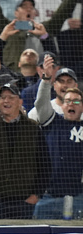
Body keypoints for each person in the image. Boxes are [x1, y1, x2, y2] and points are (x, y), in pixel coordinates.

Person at [0, 82, 50, 219]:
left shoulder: (33, 128)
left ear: (20, 101)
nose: (6, 101)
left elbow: (45, 164)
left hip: (23, 201)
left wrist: (36, 194)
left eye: (11, 97)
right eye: (2, 97)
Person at [32, 55, 83, 219]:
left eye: (76, 102)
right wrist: (46, 80)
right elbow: (40, 104)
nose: (71, 104)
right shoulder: (53, 121)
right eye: (68, 101)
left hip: (79, 196)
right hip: (50, 196)